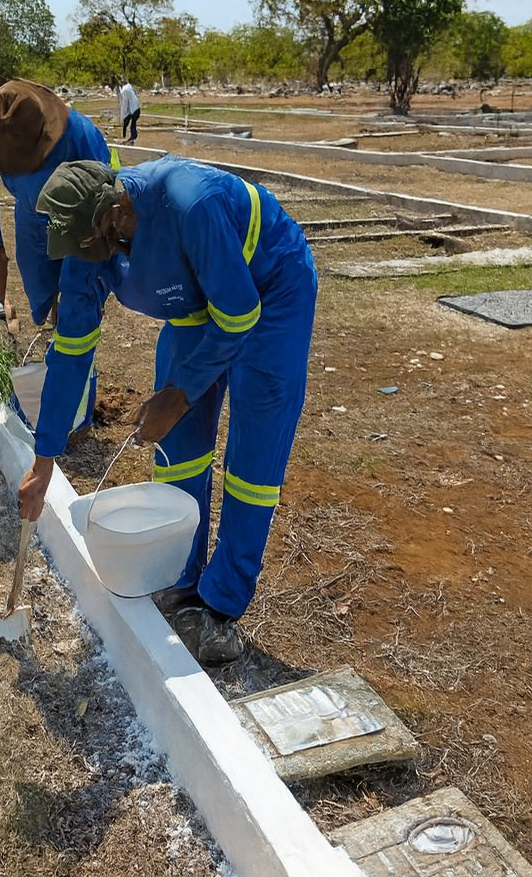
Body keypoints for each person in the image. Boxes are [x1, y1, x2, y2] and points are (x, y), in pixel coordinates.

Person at [17, 156, 317, 666]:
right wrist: (44, 461)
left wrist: (179, 394)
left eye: (90, 247)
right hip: (198, 309)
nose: (87, 261)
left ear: (115, 212)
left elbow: (240, 314)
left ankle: (220, 605)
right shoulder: (86, 244)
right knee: (178, 448)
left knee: (252, 458)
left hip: (269, 292)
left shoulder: (190, 202)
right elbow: (69, 354)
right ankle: (180, 576)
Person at [0, 79, 119, 329]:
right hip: (30, 213)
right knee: (38, 282)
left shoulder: (79, 134)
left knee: (77, 290)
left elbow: (109, 195)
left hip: (80, 220)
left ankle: (70, 338)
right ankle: (55, 319)